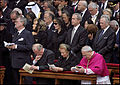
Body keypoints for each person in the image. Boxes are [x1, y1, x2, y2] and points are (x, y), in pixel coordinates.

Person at [6, 16, 34, 84]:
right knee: (17, 81)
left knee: (27, 81)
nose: (15, 23)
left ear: (22, 23)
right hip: (14, 62)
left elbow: (29, 47)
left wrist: (16, 46)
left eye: (16, 21)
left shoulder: (28, 33)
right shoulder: (16, 34)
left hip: (24, 62)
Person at [0, 18, 12, 84]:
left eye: (2, 25)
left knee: (6, 73)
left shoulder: (8, 34)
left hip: (5, 56)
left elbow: (9, 46)